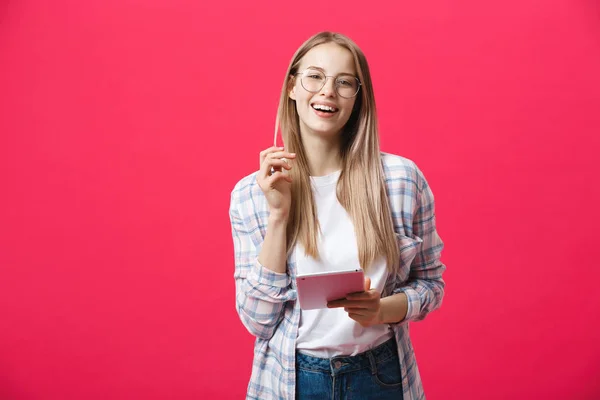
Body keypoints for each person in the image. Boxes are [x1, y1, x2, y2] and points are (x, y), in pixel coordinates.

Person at [229, 31, 446, 400]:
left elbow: (431, 284)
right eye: (315, 76)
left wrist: (381, 310)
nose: (328, 91)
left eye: (344, 82)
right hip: (292, 380)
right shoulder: (252, 193)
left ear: (358, 99)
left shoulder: (401, 180)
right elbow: (257, 321)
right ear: (293, 86)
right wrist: (280, 216)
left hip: (381, 376)